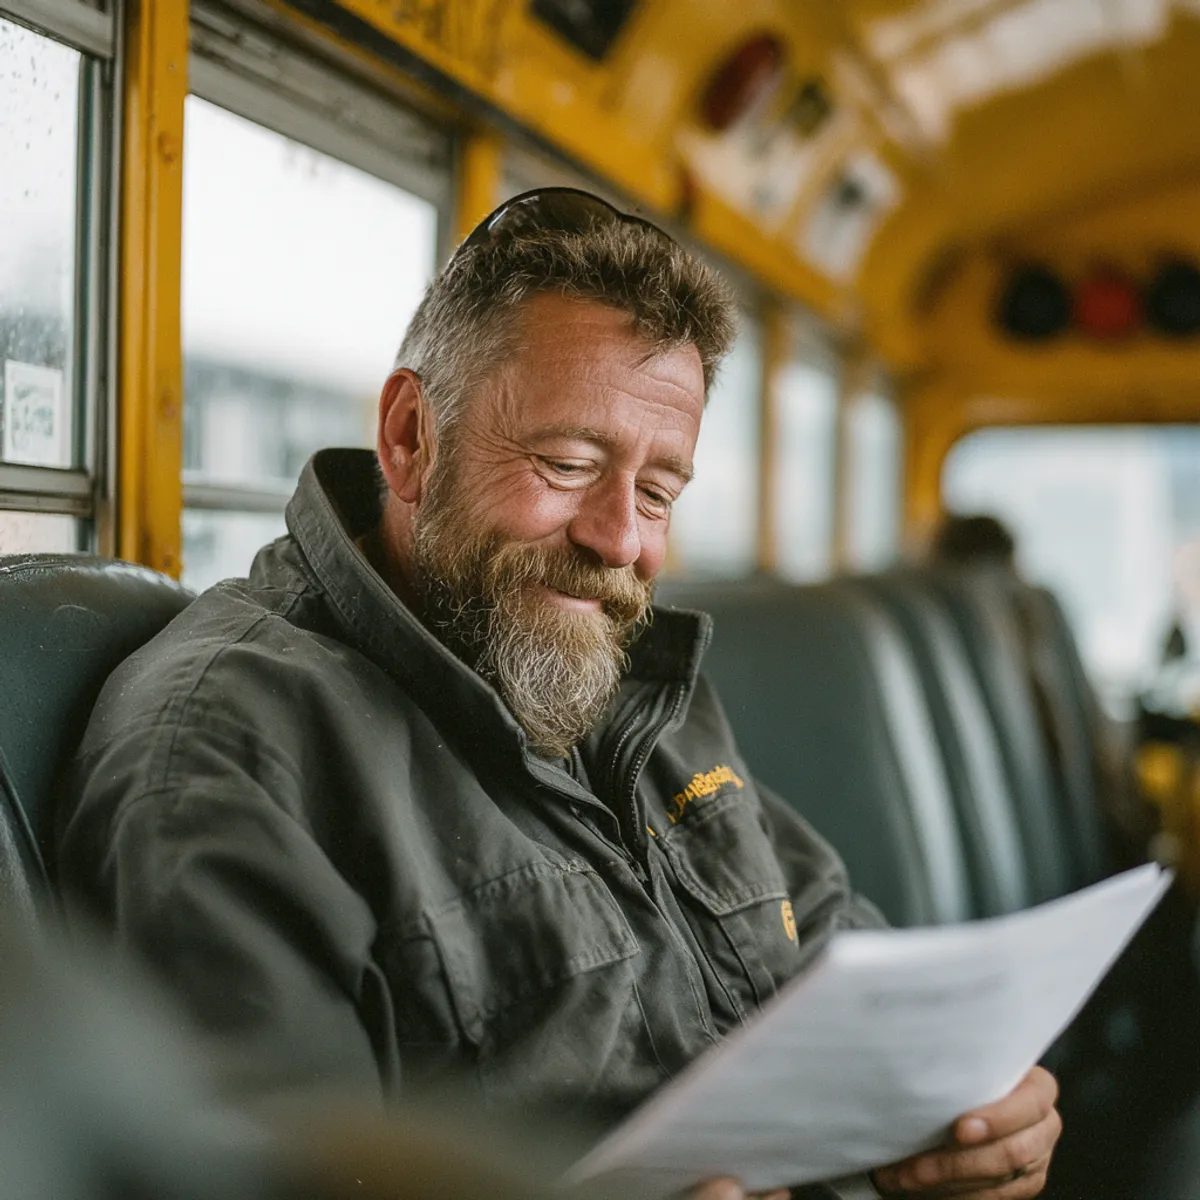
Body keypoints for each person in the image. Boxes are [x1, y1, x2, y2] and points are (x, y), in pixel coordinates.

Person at [58, 189, 1060, 1199]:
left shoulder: (625, 682)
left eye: (659, 492)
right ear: (410, 437)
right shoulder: (231, 749)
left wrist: (972, 1111)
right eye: (569, 463)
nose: (621, 540)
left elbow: (845, 955)